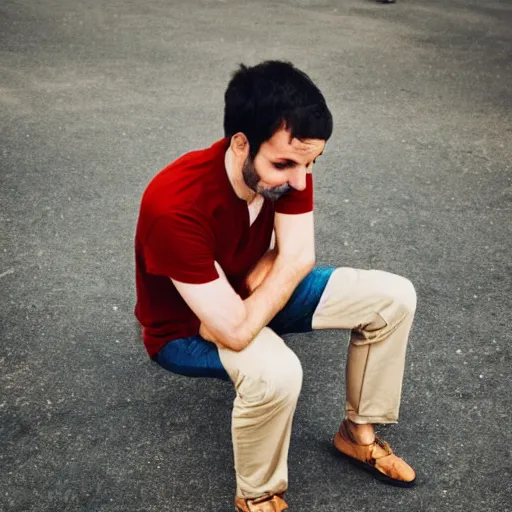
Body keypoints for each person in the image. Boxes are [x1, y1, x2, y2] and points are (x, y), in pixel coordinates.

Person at [134, 60, 417, 512]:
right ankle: (257, 494)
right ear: (240, 143)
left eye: (311, 163)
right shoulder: (175, 206)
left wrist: (258, 286)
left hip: (250, 303)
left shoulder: (290, 163)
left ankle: (357, 433)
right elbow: (235, 328)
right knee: (278, 373)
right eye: (284, 163)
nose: (300, 180)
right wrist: (270, 274)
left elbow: (299, 256)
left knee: (394, 298)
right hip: (186, 331)